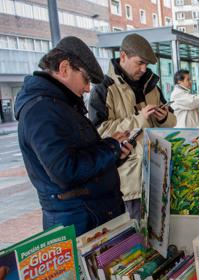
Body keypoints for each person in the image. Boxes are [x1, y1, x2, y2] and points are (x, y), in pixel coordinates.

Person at [15, 36, 133, 235]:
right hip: (78, 222)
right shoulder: (41, 110)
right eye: (86, 79)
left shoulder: (60, 104)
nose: (88, 88)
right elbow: (65, 170)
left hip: (89, 215)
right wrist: (111, 147)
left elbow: (81, 154)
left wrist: (114, 154)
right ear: (64, 68)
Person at [89, 33, 177, 221]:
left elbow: (173, 120)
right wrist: (138, 119)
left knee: (163, 232)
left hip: (159, 174)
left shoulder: (152, 86)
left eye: (147, 64)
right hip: (130, 183)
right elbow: (98, 131)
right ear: (123, 56)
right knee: (138, 241)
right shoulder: (103, 88)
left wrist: (164, 117)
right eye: (139, 63)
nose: (144, 69)